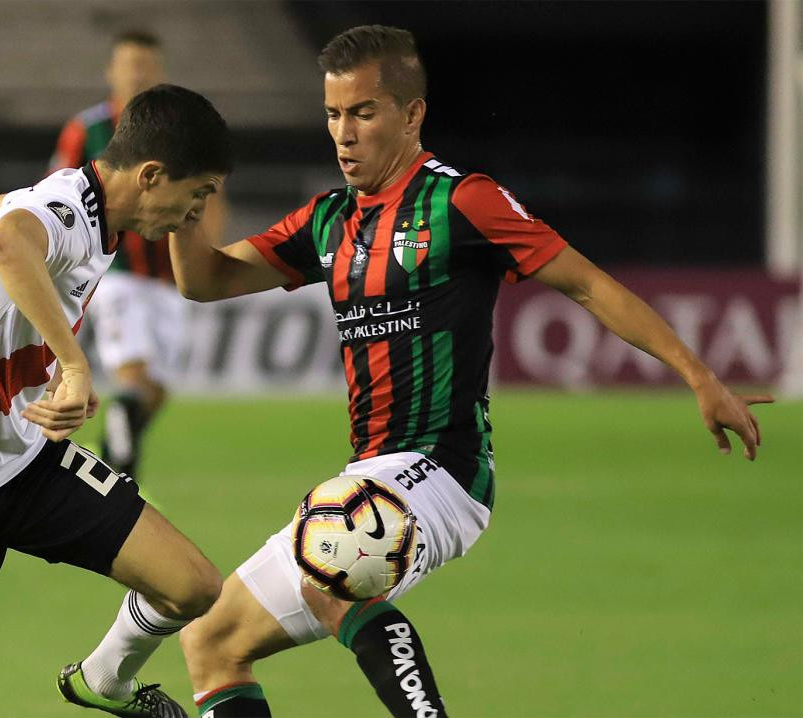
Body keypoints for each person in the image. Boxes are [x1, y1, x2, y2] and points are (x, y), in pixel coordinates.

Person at [76, 26, 773, 717]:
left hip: (444, 472)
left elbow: (587, 284)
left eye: (363, 113)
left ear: (412, 116)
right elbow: (203, 280)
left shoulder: (461, 201)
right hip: (372, 469)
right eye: (332, 114)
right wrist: (183, 190)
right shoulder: (331, 219)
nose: (343, 134)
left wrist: (698, 373)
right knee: (214, 641)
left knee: (333, 549)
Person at [0, 84, 230, 718]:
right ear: (152, 175)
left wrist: (43, 364)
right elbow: (1, 241)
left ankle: (103, 681)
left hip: (21, 457)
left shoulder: (87, 211)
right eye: (196, 195)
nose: (195, 215)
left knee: (191, 585)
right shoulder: (66, 205)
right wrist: (75, 365)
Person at [50, 30, 218, 480]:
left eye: (146, 65)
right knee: (133, 374)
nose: (138, 74)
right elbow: (57, 192)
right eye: (129, 65)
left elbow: (210, 192)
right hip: (116, 271)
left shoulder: (180, 132)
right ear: (112, 72)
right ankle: (119, 481)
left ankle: (108, 460)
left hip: (169, 278)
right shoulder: (88, 130)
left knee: (156, 391)